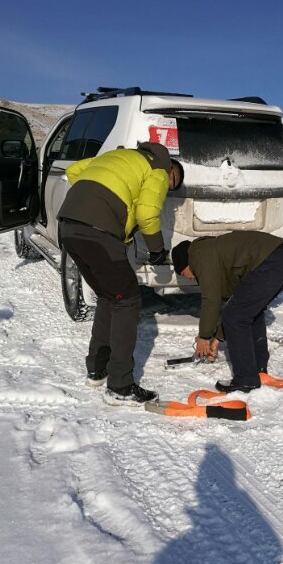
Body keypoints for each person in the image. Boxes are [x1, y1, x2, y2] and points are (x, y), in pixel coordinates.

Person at [58, 142, 184, 404]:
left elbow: (73, 171)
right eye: (174, 180)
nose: (170, 186)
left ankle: (97, 370)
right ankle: (120, 386)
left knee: (109, 297)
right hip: (99, 232)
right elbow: (147, 214)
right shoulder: (158, 169)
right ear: (170, 168)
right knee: (127, 301)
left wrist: (90, 202)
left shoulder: (118, 155)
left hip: (68, 226)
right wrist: (157, 251)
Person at [171, 231, 283, 393]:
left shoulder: (200, 254)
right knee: (250, 312)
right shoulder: (215, 253)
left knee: (236, 316)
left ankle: (246, 379)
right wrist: (218, 338)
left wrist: (204, 337)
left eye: (183, 273)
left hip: (272, 260)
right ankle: (258, 370)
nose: (188, 278)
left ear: (186, 264)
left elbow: (211, 300)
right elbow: (234, 301)